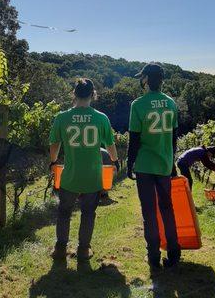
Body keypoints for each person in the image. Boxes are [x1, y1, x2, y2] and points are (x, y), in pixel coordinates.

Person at [49, 78, 119, 262]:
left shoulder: (62, 117)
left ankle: (60, 249)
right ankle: (83, 250)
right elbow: (110, 145)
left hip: (69, 176)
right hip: (92, 177)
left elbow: (54, 144)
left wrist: (53, 162)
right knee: (88, 213)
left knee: (64, 212)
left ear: (74, 93)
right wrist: (115, 161)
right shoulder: (101, 118)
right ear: (93, 94)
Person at [127, 63, 181, 270]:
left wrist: (129, 164)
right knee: (167, 209)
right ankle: (174, 253)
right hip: (164, 164)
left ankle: (153, 256)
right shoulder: (171, 103)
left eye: (142, 77)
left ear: (147, 79)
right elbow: (174, 137)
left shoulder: (138, 105)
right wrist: (172, 161)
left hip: (145, 165)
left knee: (149, 211)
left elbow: (134, 139)